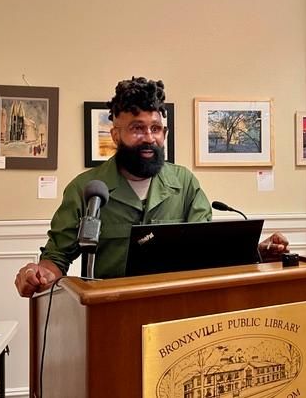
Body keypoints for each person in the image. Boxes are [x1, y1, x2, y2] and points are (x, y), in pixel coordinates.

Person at [15, 77, 289, 297]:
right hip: (111, 314)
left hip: (178, 310)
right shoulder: (86, 188)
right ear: (116, 135)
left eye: (156, 129)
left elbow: (207, 254)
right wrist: (39, 274)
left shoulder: (184, 183)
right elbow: (57, 257)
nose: (149, 138)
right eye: (137, 128)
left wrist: (256, 253)